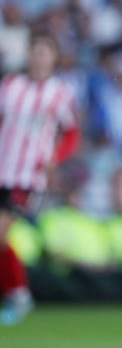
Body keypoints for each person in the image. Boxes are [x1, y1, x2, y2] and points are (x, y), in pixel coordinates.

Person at [0, 31, 80, 325]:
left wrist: (55, 157)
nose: (39, 57)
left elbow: (72, 133)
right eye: (36, 51)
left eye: (45, 52)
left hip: (27, 176)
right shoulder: (10, 86)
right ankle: (18, 293)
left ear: (54, 58)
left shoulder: (60, 93)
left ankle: (19, 295)